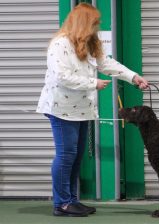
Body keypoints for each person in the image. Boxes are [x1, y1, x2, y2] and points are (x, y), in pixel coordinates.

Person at [36, 3, 148, 217]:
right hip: (61, 108)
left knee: (76, 156)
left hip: (82, 108)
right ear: (84, 23)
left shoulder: (89, 43)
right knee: (66, 155)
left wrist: (133, 77)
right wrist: (92, 83)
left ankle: (72, 200)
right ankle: (61, 204)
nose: (98, 25)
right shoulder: (59, 44)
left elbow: (106, 63)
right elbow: (61, 76)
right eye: (95, 22)